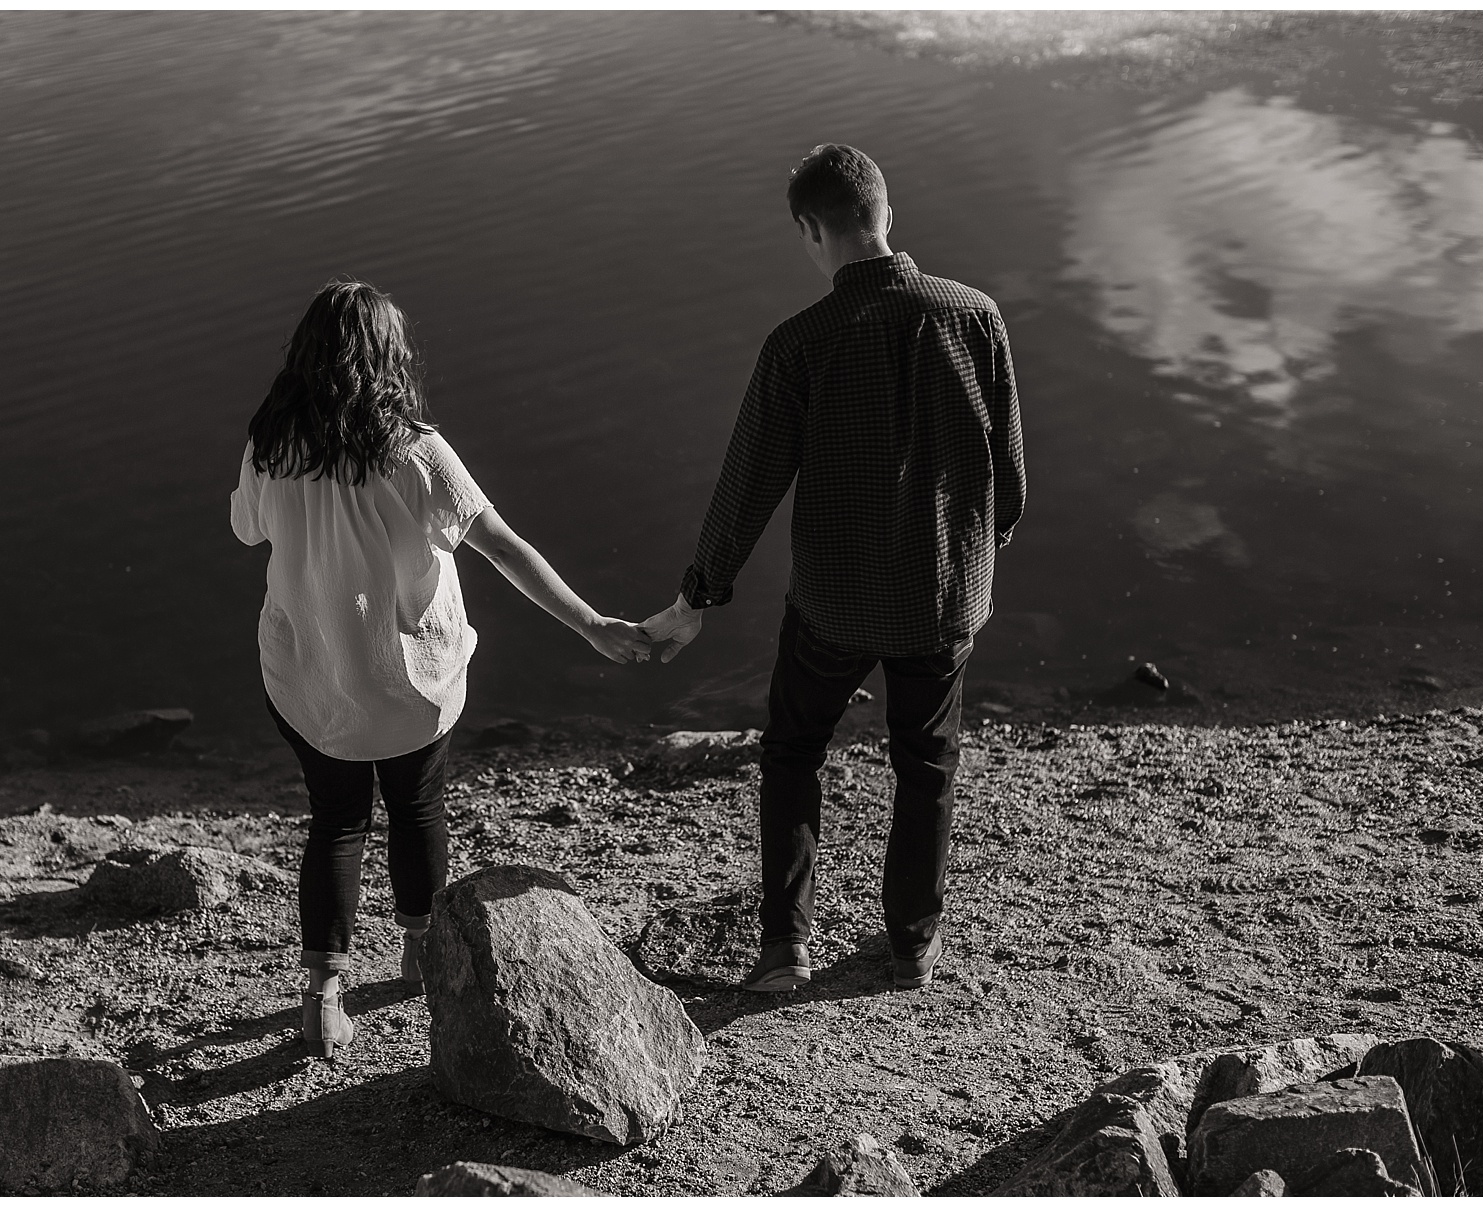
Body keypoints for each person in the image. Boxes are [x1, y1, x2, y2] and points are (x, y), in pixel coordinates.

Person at [641, 144, 1026, 993]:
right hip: (940, 597)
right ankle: (914, 944)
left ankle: (786, 946)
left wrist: (697, 592)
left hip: (836, 605)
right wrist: (978, 560)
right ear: (886, 214)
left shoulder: (800, 345)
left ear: (815, 231)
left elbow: (748, 485)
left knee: (794, 750)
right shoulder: (976, 317)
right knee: (928, 762)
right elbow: (1009, 475)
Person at [231, 279, 649, 1057]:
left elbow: (246, 528)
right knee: (417, 807)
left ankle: (323, 995)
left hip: (311, 680)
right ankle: (421, 953)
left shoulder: (271, 445)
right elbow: (505, 548)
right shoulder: (417, 451)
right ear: (390, 361)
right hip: (410, 685)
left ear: (303, 360)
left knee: (336, 821)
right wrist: (592, 624)